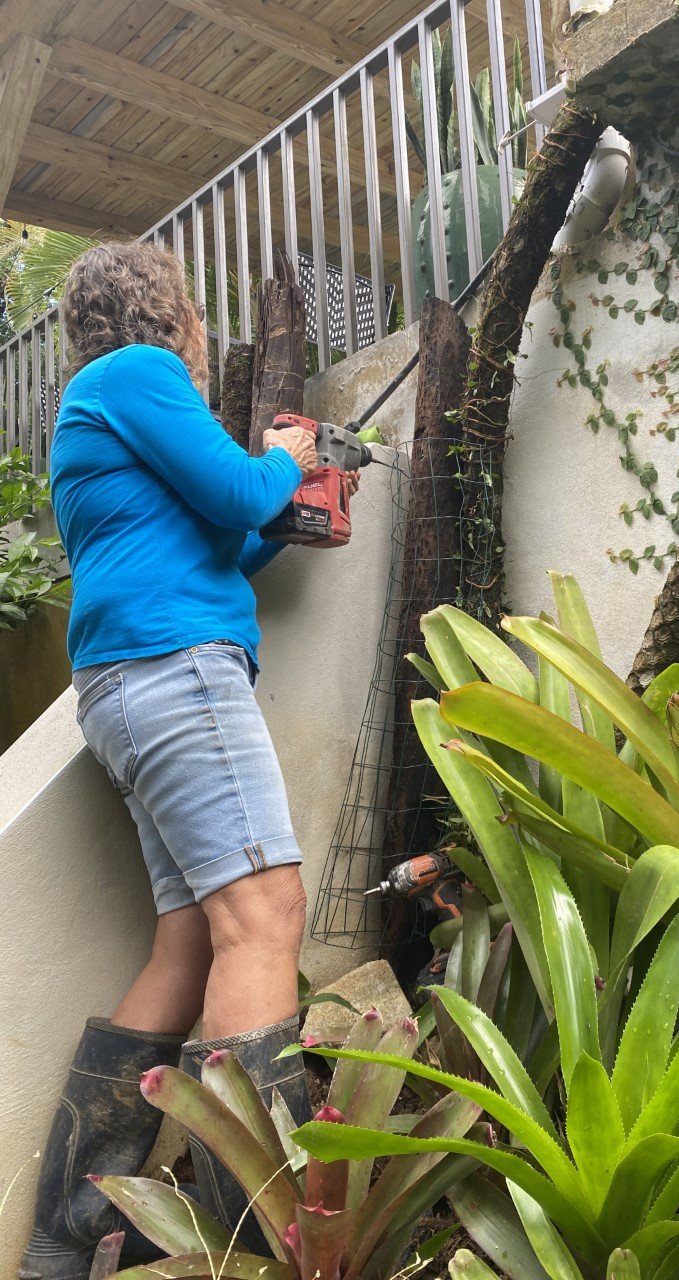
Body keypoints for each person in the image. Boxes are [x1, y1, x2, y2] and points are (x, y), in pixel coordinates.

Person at [18, 242, 355, 1278]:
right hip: (177, 673)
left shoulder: (95, 407)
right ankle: (255, 1242)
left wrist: (294, 507)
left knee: (189, 942)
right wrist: (292, 454)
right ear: (177, 317)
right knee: (265, 916)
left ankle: (63, 1244)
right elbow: (234, 484)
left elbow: (224, 530)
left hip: (126, 685)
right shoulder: (135, 376)